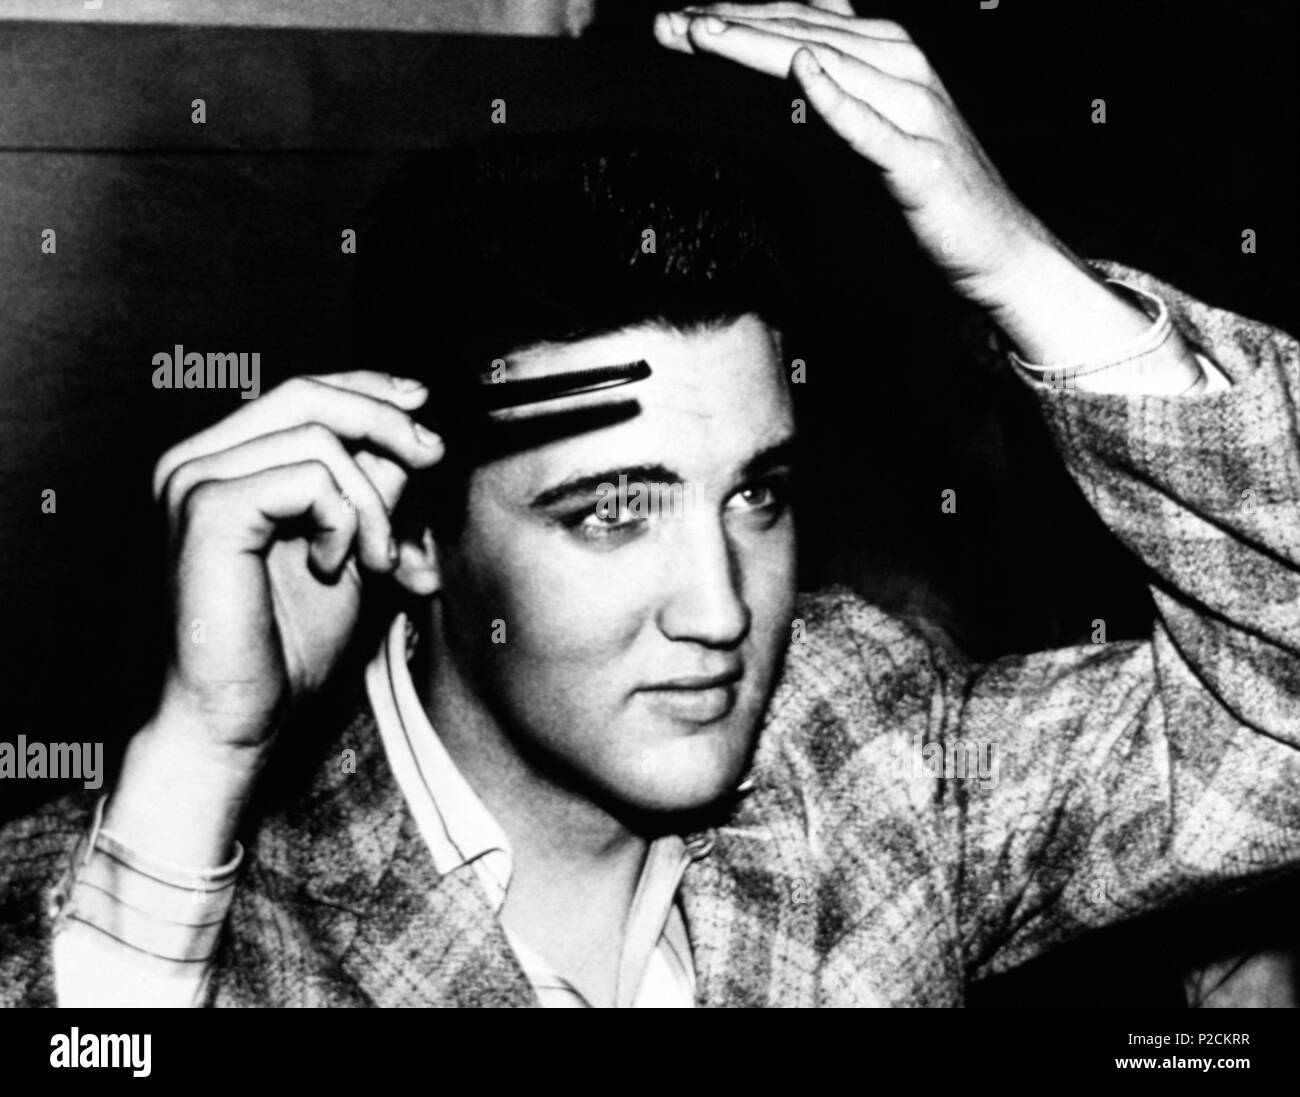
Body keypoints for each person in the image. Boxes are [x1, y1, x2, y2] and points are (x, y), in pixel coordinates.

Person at [1, 1, 1297, 1008]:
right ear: (410, 531)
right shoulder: (186, 889)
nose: (723, 608)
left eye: (759, 495)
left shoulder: (854, 731)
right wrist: (203, 760)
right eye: (612, 510)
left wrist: (1028, 274)